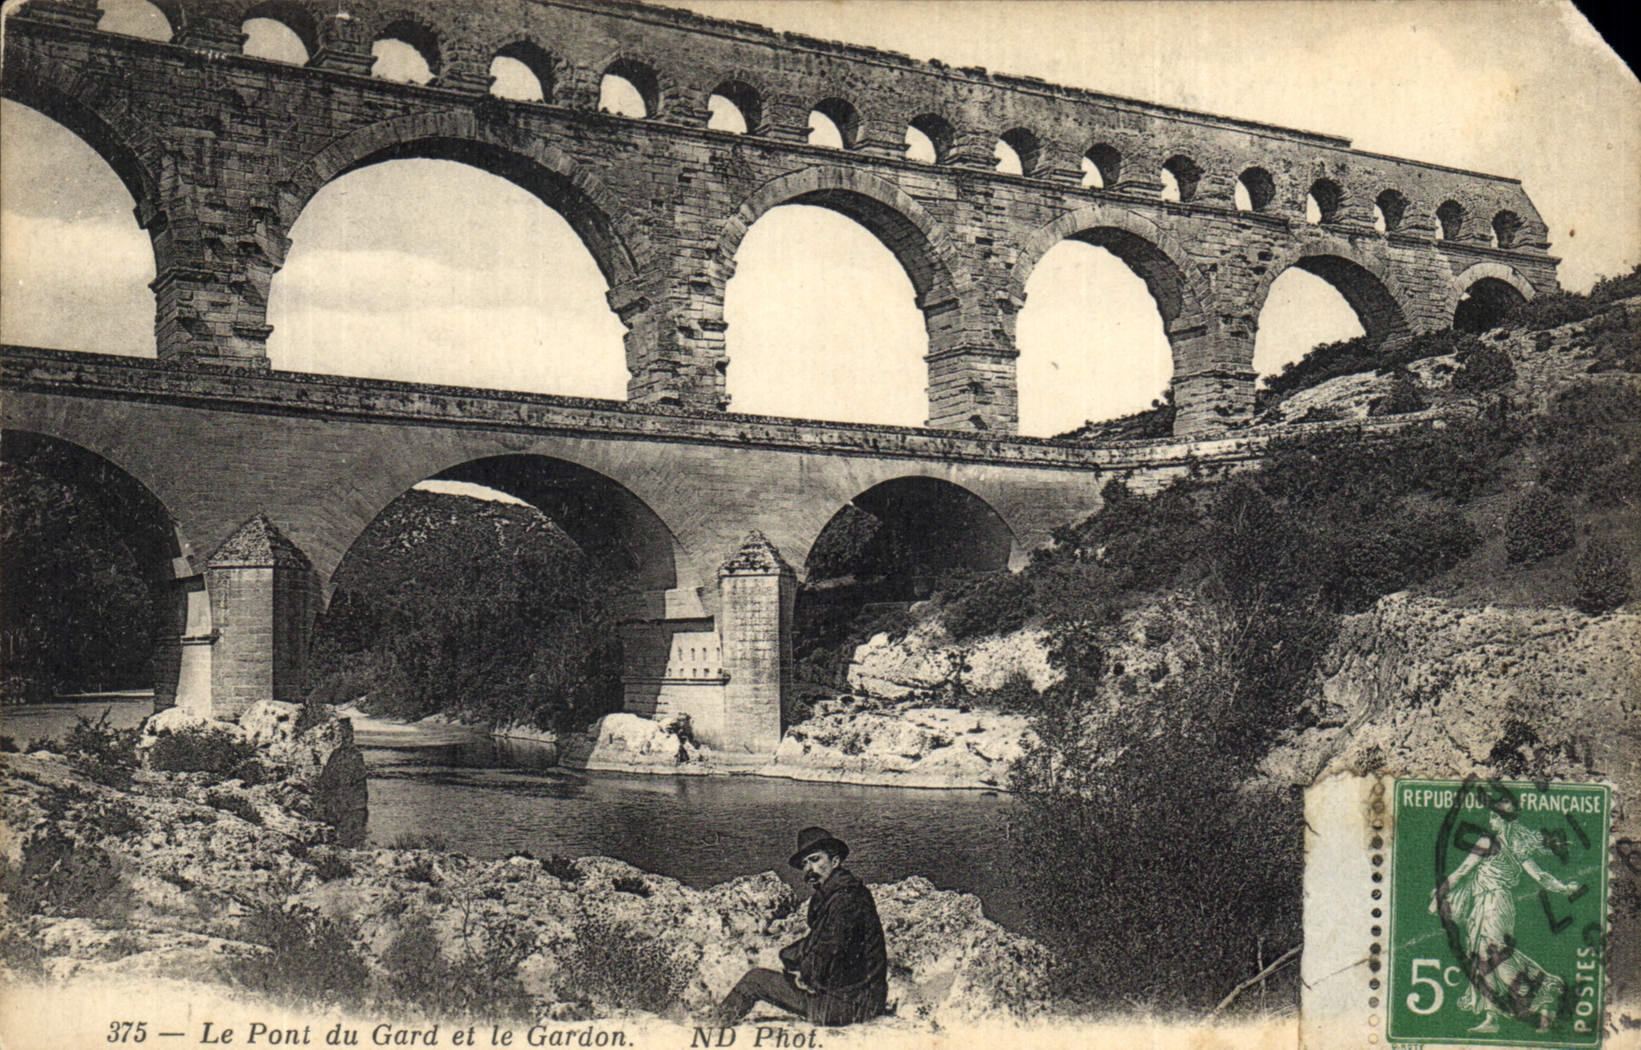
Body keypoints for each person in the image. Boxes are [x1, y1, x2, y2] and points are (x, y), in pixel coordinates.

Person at [712, 826, 889, 1026]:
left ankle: (712, 1028)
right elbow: (819, 941)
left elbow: (829, 949)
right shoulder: (838, 894)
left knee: (754, 981)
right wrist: (790, 957)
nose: (809, 869)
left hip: (850, 1007)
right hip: (858, 1000)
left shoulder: (846, 899)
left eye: (815, 859)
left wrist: (803, 973)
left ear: (835, 861)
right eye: (804, 864)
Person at [1429, 809, 1582, 1034]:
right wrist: (1564, 888)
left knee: (1496, 955)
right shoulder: (1518, 848)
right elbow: (1541, 876)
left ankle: (1544, 997)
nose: (1490, 821)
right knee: (1483, 958)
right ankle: (1492, 1018)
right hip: (1490, 904)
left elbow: (1462, 870)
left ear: (1502, 820)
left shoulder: (1487, 842)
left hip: (1493, 903)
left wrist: (1441, 893)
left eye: (1493, 817)